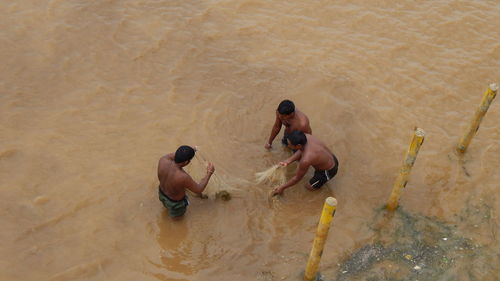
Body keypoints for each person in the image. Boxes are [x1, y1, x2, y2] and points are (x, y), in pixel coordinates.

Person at [271, 131, 339, 196]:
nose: (288, 145)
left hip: (328, 170)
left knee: (308, 187)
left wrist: (282, 188)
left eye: (290, 144)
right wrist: (288, 161)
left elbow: (297, 178)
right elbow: (302, 150)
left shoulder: (306, 160)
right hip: (331, 158)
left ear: (298, 146)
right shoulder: (306, 137)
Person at [157, 145, 215, 217]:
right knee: (177, 221)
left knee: (166, 209)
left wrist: (190, 150)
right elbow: (199, 189)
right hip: (175, 204)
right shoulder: (183, 177)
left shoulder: (163, 159)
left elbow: (178, 154)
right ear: (186, 162)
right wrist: (209, 173)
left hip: (162, 194)